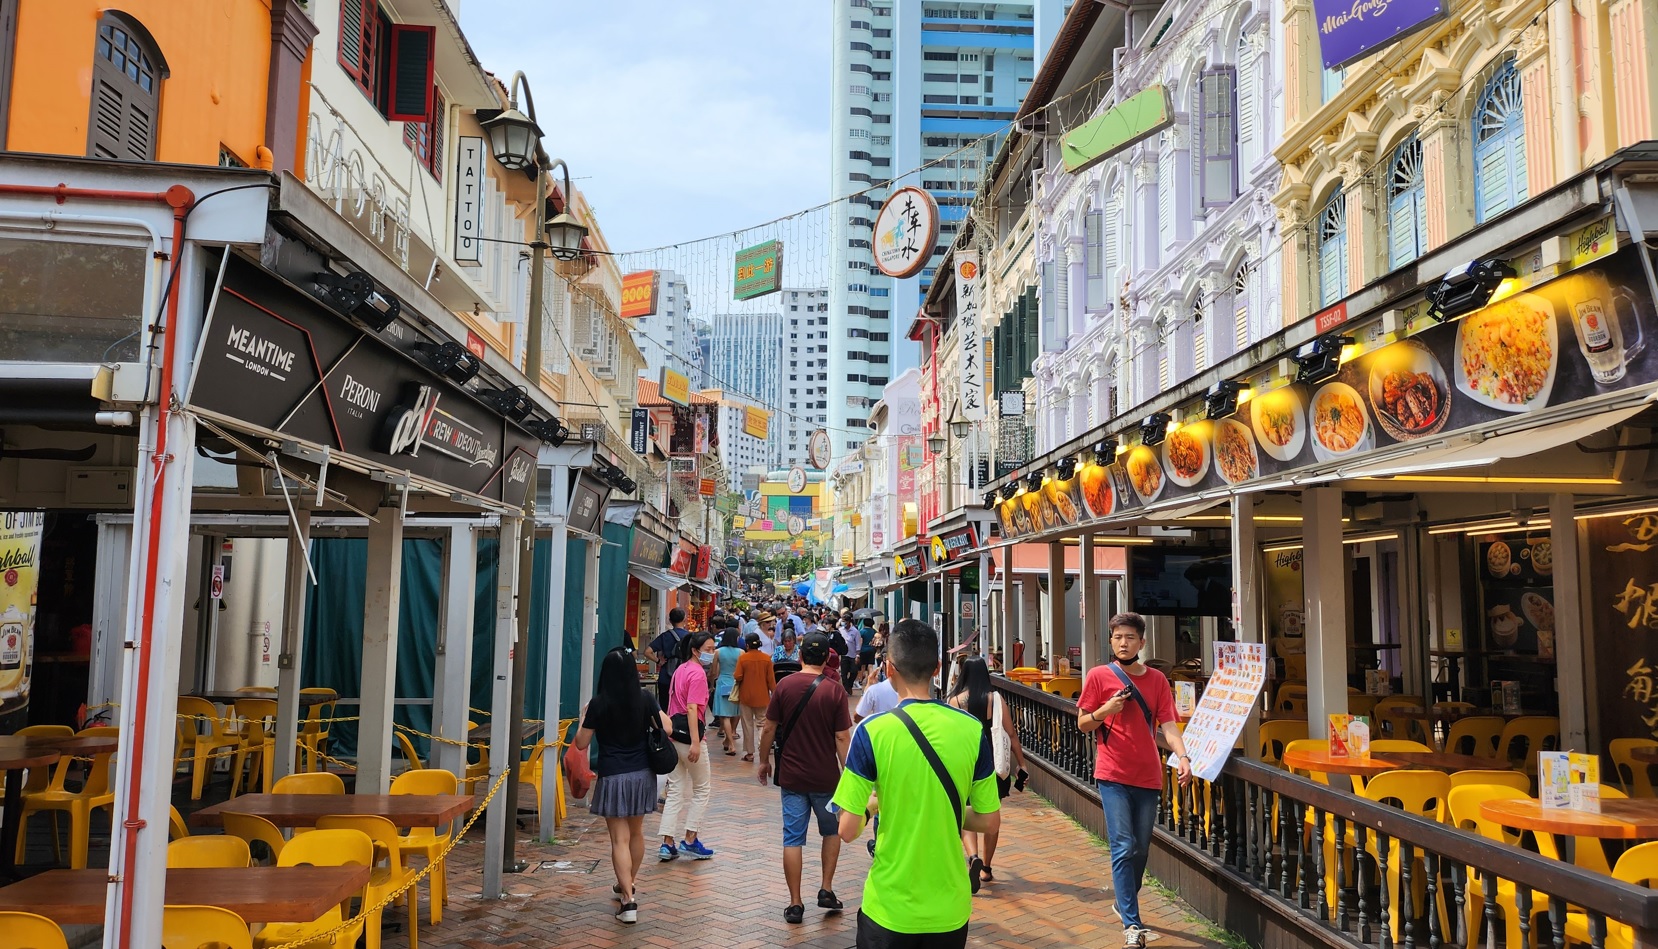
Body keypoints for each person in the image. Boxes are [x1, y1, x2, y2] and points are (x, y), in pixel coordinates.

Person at [834, 619, 1001, 949]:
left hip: (888, 907)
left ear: (888, 667)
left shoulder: (871, 732)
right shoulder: (971, 729)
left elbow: (847, 830)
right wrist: (945, 809)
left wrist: (875, 805)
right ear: (938, 667)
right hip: (949, 909)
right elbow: (990, 820)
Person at [1076, 612, 1193, 949]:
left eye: (1129, 638)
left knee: (1141, 848)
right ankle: (1132, 924)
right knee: (1124, 845)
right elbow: (1083, 722)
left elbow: (1168, 724)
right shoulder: (1099, 676)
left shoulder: (1157, 680)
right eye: (1117, 638)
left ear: (1142, 642)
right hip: (1112, 773)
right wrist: (1104, 711)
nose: (1123, 643)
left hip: (1148, 774)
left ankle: (1123, 899)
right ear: (1111, 641)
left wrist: (1182, 756)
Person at [757, 632, 853, 924]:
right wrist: (848, 772)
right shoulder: (835, 690)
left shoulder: (785, 686)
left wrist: (763, 761)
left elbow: (768, 728)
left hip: (792, 776)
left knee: (793, 839)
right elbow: (841, 737)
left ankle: (795, 903)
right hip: (826, 778)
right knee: (832, 832)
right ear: (826, 659)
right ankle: (825, 888)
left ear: (800, 656)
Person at [574, 647, 671, 925]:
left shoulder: (599, 703)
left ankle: (628, 900)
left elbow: (581, 743)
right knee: (636, 833)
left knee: (619, 839)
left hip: (613, 775)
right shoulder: (644, 698)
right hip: (642, 773)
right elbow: (665, 728)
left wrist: (584, 718)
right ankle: (627, 884)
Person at [946, 657, 1025, 886]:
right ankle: (987, 868)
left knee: (967, 811)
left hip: (965, 763)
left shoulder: (955, 700)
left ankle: (973, 856)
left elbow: (951, 737)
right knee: (991, 814)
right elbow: (1011, 734)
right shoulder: (996, 699)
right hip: (992, 763)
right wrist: (1022, 763)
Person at [659, 630, 718, 861]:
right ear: (695, 650)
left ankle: (667, 842)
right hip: (690, 739)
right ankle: (690, 839)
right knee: (702, 788)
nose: (711, 654)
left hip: (673, 736)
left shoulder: (680, 670)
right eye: (708, 650)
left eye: (713, 650)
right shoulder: (697, 674)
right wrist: (695, 741)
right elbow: (693, 708)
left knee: (675, 790)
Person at [733, 631, 776, 762]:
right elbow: (771, 681)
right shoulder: (766, 659)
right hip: (763, 697)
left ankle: (749, 753)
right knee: (762, 724)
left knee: (747, 724)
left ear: (747, 645)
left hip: (746, 696)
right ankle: (763, 748)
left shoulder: (743, 658)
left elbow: (738, 676)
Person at [645, 608, 690, 708]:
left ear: (670, 621)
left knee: (665, 707)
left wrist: (658, 661)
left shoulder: (665, 636)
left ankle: (666, 723)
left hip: (666, 677)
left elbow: (647, 652)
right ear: (684, 619)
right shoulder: (690, 637)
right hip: (684, 677)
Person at [712, 628, 744, 756]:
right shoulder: (741, 652)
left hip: (722, 683)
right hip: (735, 684)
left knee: (724, 715)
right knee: (736, 712)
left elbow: (714, 672)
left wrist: (710, 684)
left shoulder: (718, 652)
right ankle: (728, 740)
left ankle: (730, 743)